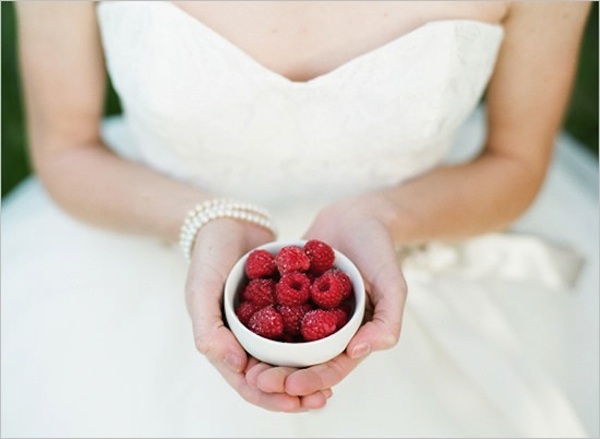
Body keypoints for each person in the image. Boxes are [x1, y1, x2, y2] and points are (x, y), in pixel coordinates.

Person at [2, 1, 597, 437]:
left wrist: (383, 216)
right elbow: (65, 149)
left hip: (410, 236)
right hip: (149, 227)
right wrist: (206, 220)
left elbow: (515, 162)